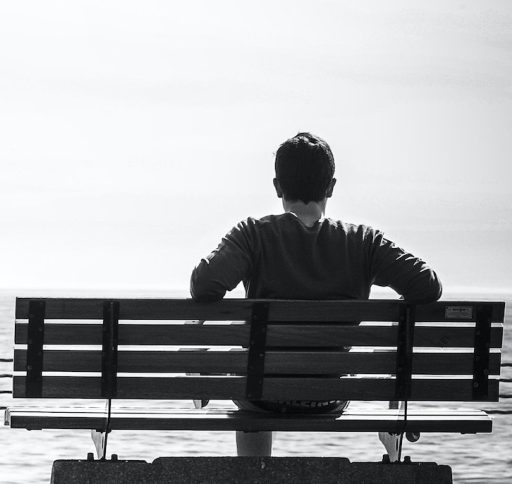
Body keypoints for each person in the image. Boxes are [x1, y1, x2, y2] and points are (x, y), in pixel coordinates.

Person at [189, 132, 441, 459]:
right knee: (387, 359)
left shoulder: (252, 235)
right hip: (331, 395)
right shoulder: (364, 242)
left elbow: (203, 284)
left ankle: (254, 472)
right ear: (331, 187)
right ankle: (390, 416)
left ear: (278, 186)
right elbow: (427, 286)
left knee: (248, 377)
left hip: (261, 395)